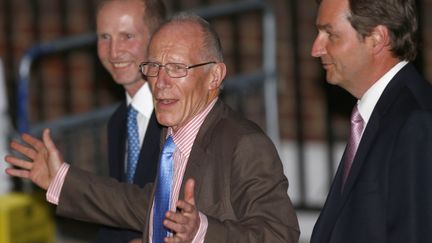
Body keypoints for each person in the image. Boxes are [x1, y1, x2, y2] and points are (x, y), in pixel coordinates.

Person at [5, 12, 300, 243]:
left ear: (214, 76)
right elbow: (145, 205)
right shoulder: (173, 135)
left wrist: (202, 231)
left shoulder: (243, 143)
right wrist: (60, 179)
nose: (160, 83)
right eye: (153, 67)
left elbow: (279, 235)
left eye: (176, 68)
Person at [310, 0, 432, 242]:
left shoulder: (416, 121)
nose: (316, 49)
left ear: (377, 38)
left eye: (330, 34)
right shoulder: (378, 112)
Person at [94, 0, 166, 242]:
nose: (113, 52)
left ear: (157, 38)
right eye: (104, 36)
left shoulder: (178, 118)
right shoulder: (119, 121)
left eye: (127, 36)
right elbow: (119, 216)